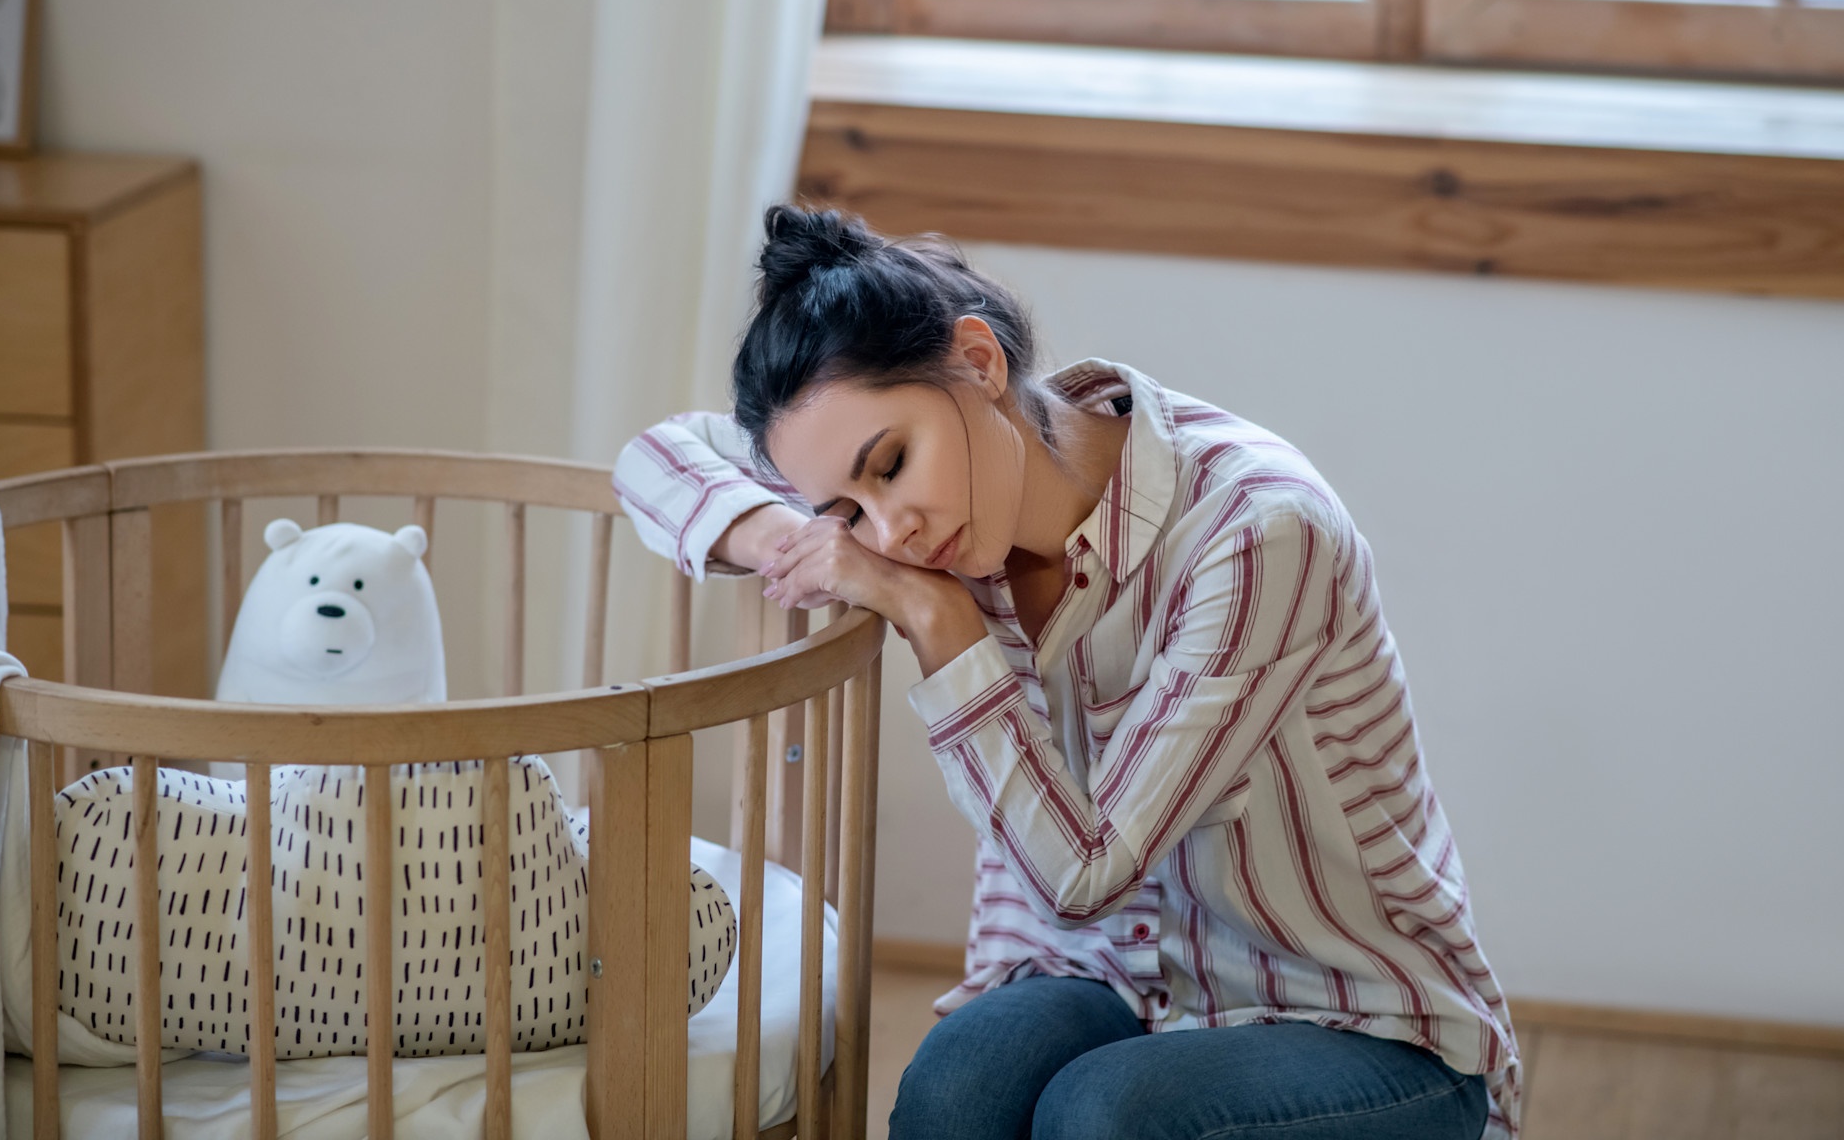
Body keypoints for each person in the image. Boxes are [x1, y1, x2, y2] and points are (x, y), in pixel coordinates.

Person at [614, 206, 1520, 1140]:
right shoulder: (926, 514)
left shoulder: (1258, 535)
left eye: (891, 466)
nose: (892, 535)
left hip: (1360, 1022)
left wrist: (935, 616)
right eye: (846, 508)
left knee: (1104, 1116)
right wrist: (800, 536)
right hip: (1115, 979)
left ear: (979, 362)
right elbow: (656, 457)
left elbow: (1085, 875)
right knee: (955, 1090)